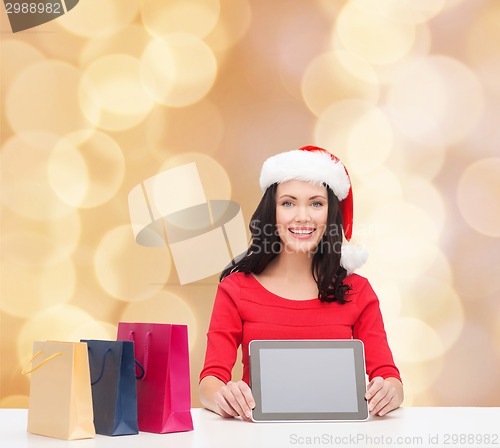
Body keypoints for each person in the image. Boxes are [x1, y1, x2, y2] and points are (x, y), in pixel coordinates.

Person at [199, 145, 403, 421]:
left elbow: (390, 377)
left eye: (316, 203)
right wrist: (223, 397)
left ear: (331, 214)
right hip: (260, 436)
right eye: (288, 203)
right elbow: (210, 381)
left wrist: (388, 391)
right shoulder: (235, 289)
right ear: (272, 212)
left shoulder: (359, 291)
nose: (303, 216)